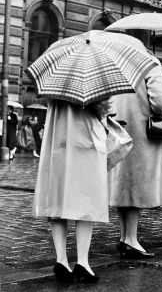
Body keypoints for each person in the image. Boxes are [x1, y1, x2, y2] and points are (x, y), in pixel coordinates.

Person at [109, 29, 162, 259]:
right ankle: (132, 239)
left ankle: (124, 235)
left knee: (122, 185)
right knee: (135, 186)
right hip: (141, 133)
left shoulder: (112, 61)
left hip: (116, 130)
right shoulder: (149, 62)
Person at [32, 99, 111, 283]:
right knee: (87, 197)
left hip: (57, 137)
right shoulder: (91, 73)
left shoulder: (55, 76)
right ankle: (82, 262)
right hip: (85, 137)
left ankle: (61, 260)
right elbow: (100, 107)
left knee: (58, 196)